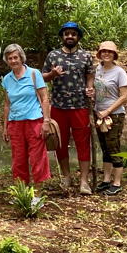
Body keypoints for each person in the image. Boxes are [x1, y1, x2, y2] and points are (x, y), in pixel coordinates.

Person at [42, 22, 95, 195]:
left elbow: (89, 75)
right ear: (62, 37)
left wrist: (90, 87)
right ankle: (66, 176)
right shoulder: (53, 55)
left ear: (78, 37)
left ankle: (84, 181)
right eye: (66, 34)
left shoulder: (86, 56)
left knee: (83, 143)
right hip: (58, 106)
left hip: (80, 106)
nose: (70, 36)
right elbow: (43, 77)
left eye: (73, 33)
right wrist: (53, 74)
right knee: (60, 143)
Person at [2, 44, 51, 193]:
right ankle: (21, 191)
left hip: (34, 121)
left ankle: (38, 191)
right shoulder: (7, 79)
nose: (13, 61)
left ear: (21, 57)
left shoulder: (34, 74)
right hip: (15, 122)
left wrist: (46, 121)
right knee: (18, 158)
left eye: (15, 57)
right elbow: (7, 104)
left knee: (37, 157)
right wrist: (5, 127)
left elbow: (44, 98)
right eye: (10, 58)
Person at [93, 41, 127, 195]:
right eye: (103, 51)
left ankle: (117, 182)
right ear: (100, 54)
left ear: (114, 54)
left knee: (113, 147)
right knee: (105, 147)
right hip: (99, 114)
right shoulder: (97, 69)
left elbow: (125, 96)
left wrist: (108, 110)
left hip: (114, 115)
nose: (106, 54)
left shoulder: (119, 72)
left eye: (109, 51)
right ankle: (106, 180)